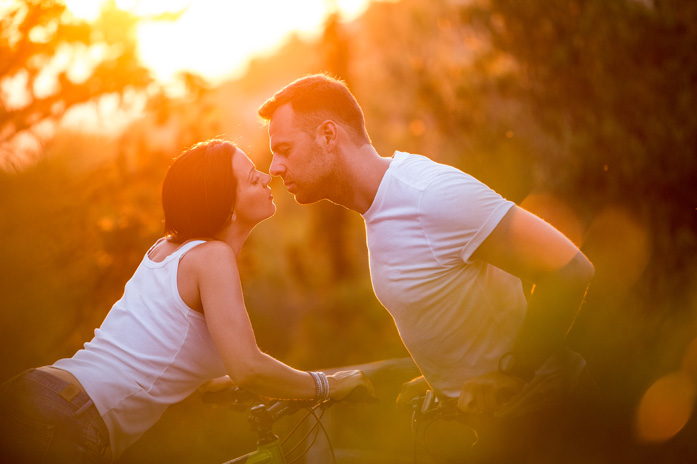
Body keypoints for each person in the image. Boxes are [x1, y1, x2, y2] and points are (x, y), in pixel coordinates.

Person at [257, 74, 596, 459]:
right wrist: (440, 380)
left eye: (283, 149)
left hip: (547, 426)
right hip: (485, 432)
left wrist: (513, 373)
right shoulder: (378, 209)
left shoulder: (430, 196)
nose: (275, 168)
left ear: (329, 135)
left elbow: (570, 270)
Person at [0, 139, 373, 464]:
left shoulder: (168, 250)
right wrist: (327, 385)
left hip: (41, 395)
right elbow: (249, 367)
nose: (265, 176)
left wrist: (229, 380)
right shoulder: (212, 258)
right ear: (226, 204)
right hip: (68, 417)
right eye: (250, 176)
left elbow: (168, 350)